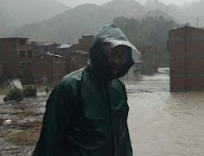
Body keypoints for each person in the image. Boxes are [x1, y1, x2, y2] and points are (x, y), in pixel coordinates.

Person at [33, 24, 140, 156]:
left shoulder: (118, 89)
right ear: (99, 53)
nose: (118, 61)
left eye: (122, 55)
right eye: (113, 54)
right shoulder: (70, 88)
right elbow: (49, 143)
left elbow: (123, 138)